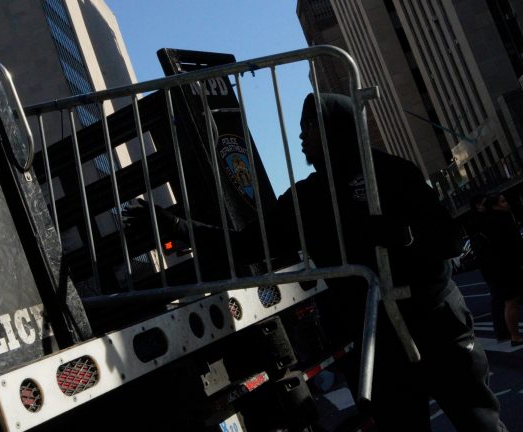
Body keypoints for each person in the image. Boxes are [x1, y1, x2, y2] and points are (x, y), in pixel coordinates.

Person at [124, 93, 504, 431]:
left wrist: (403, 235)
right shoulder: (307, 199)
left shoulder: (390, 172)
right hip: (378, 342)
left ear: (334, 128)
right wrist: (176, 225)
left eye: (309, 126)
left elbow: (450, 240)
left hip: (437, 323)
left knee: (478, 421)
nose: (302, 137)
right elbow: (245, 246)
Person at [481, 193, 523, 346]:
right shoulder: (499, 221)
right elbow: (509, 245)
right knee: (511, 302)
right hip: (509, 268)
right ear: (495, 205)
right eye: (503, 201)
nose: (507, 204)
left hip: (505, 268)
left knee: (511, 302)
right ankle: (515, 336)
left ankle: (515, 336)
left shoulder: (494, 220)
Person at [469, 194, 510, 341]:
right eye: (481, 204)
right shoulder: (479, 222)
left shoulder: (481, 221)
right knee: (500, 298)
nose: (484, 206)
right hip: (491, 266)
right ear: (477, 206)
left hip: (491, 265)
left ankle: (504, 330)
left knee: (503, 297)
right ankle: (503, 331)